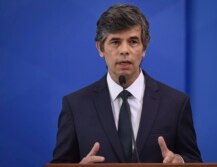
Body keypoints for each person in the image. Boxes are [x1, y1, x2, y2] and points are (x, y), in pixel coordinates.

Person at [51, 3, 202, 164]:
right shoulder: (75, 106)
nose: (124, 50)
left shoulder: (176, 103)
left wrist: (180, 161)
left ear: (144, 48)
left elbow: (194, 160)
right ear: (100, 48)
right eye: (115, 42)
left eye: (133, 41)